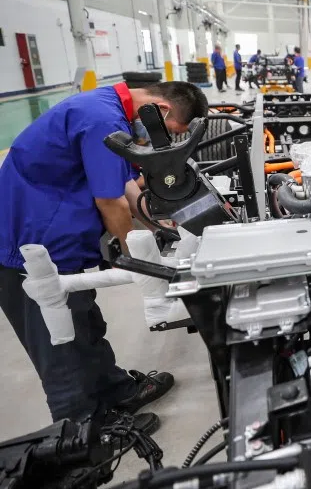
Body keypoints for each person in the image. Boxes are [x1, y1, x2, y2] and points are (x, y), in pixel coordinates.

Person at [0, 80, 208, 432]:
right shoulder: (102, 121)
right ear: (160, 111)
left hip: (56, 240)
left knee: (85, 322)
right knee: (60, 344)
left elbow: (123, 186)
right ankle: (83, 433)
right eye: (172, 132)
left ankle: (115, 391)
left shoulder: (110, 110)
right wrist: (140, 262)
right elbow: (109, 202)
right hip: (29, 249)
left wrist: (159, 224)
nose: (166, 142)